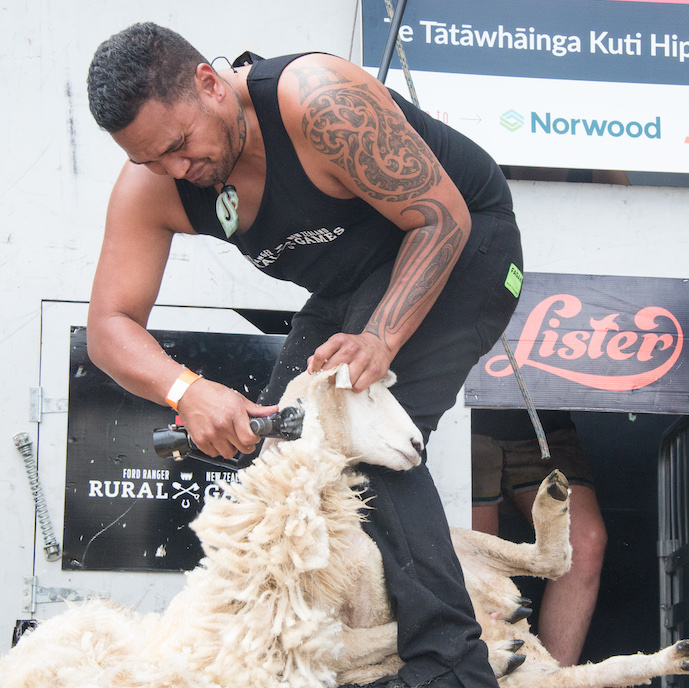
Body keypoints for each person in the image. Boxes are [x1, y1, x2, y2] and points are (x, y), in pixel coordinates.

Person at [86, 23, 523, 688]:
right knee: (282, 461)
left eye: (178, 145)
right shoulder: (154, 183)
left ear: (209, 84)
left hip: (465, 244)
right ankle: (339, 650)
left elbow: (440, 218)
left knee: (355, 431)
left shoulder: (317, 99)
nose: (176, 170)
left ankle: (452, 668)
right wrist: (186, 390)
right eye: (151, 160)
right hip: (349, 284)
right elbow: (109, 326)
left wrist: (380, 338)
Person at [471, 408, 608, 666]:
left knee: (582, 543)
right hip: (463, 420)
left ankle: (553, 677)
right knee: (478, 557)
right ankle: (480, 674)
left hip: (544, 426)